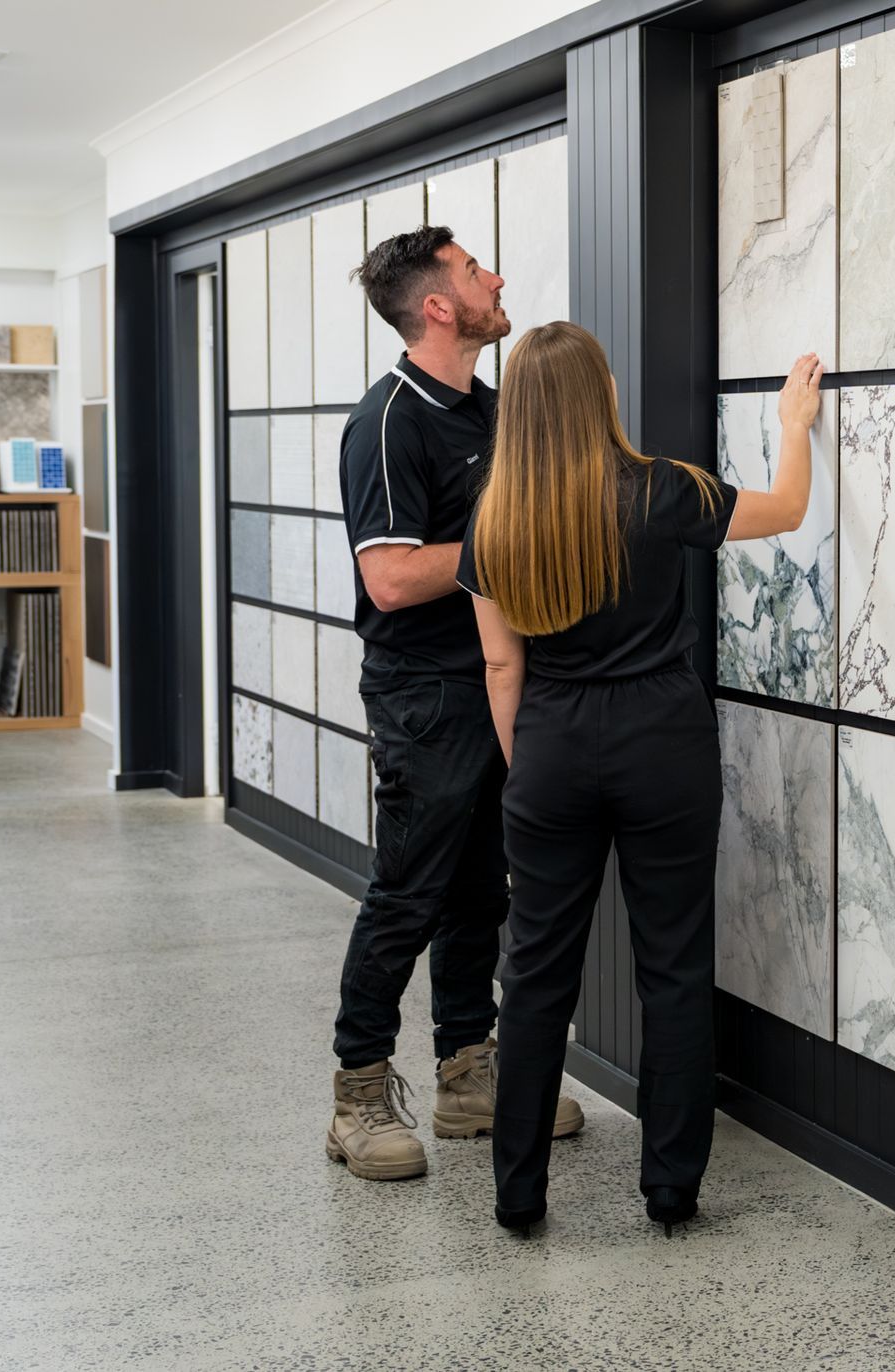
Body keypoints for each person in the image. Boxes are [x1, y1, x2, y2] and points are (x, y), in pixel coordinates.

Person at [458, 322, 822, 1234]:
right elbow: (785, 509)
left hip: (549, 741)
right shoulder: (663, 489)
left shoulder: (494, 519)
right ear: (600, 395)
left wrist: (532, 767)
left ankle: (517, 1194)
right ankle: (670, 1188)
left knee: (535, 974)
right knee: (673, 965)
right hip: (663, 740)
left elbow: (501, 667)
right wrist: (792, 422)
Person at [328, 226, 584, 1181]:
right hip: (425, 694)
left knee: (483, 887)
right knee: (409, 892)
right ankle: (357, 1094)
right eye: (476, 271)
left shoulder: (495, 408)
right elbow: (391, 578)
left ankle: (467, 1074)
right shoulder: (388, 422)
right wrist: (505, 544)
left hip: (504, 678)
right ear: (438, 306)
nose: (497, 278)